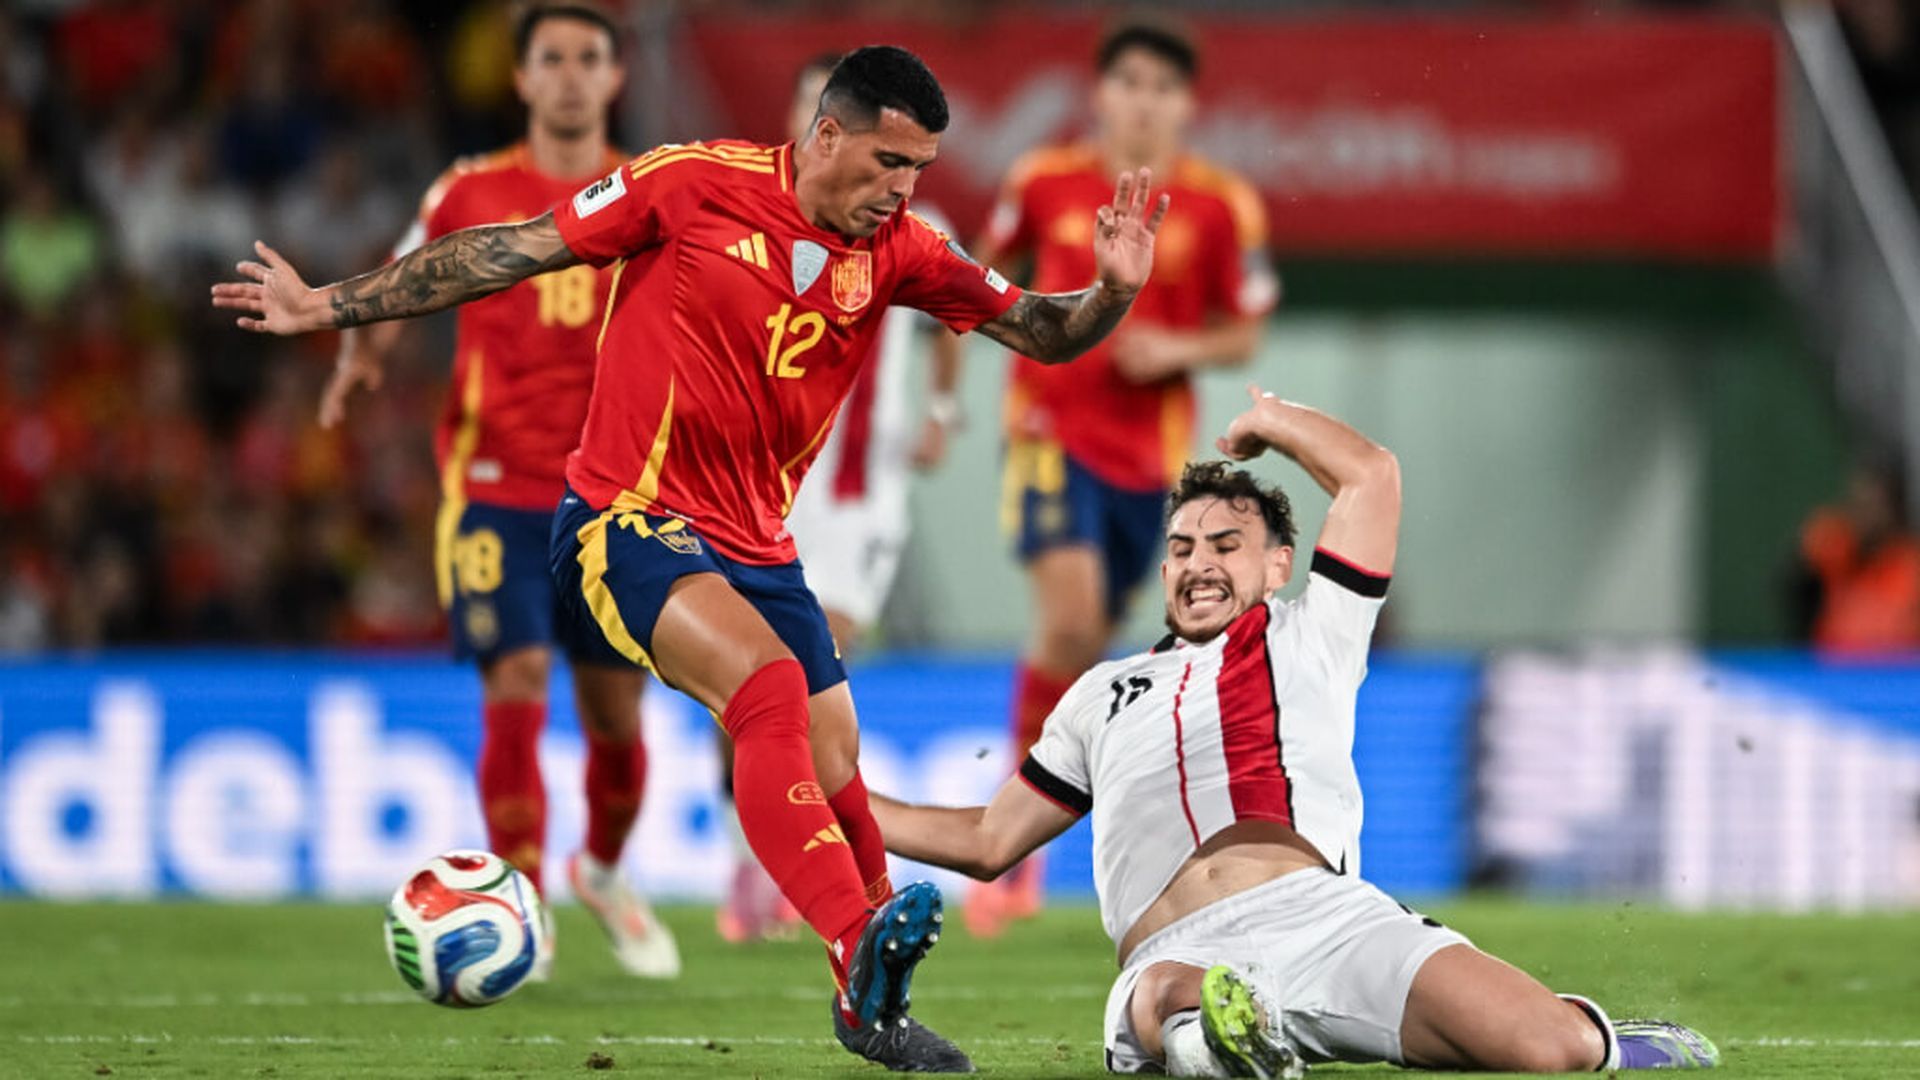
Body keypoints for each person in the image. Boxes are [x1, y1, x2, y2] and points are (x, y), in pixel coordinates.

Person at [213, 45, 1167, 1073]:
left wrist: (1110, 295)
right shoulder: (692, 183)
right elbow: (512, 248)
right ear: (827, 134)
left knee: (835, 755)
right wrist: (329, 305)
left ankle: (875, 1004)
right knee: (763, 691)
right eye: (889, 161)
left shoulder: (902, 251)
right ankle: (856, 947)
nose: (903, 189)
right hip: (625, 514)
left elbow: (1041, 330)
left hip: (761, 544)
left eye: (921, 170)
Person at [868, 386, 1722, 1076]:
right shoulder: (1098, 694)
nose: (1198, 562)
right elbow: (988, 840)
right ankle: (1231, 1033)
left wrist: (1271, 421)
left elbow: (1371, 477)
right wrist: (834, 796)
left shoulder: (1315, 632)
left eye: (1226, 543)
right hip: (1174, 948)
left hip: (1329, 921)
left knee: (1551, 1051)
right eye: (1181, 546)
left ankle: (1600, 1036)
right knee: (1165, 995)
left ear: (1279, 563)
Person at [312, 2, 676, 982]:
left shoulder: (650, 196)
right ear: (519, 80)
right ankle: (525, 906)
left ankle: (601, 868)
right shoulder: (470, 191)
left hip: (613, 497)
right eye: (549, 58)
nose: (567, 75)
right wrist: (363, 355)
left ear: (614, 77)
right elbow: (408, 278)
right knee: (513, 690)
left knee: (615, 720)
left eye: (586, 59)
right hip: (490, 490)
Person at [968, 20, 1279, 937]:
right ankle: (1007, 848)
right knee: (1067, 617)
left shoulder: (1226, 205)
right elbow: (985, 282)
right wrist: (1049, 335)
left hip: (1151, 462)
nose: (1144, 101)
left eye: (1163, 87)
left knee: (1095, 656)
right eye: (1129, 82)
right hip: (1047, 429)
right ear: (1099, 92)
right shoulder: (1041, 180)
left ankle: (1047, 824)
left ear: (1187, 103)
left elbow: (1246, 330)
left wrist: (1176, 346)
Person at [714, 52, 967, 946]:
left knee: (824, 650)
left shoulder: (908, 223)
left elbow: (952, 323)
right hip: (756, 482)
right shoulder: (743, 206)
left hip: (860, 487)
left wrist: (940, 410)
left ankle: (802, 878)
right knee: (748, 681)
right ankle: (758, 859)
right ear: (816, 120)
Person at [1789, 457, 1920, 654]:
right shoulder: (1837, 550)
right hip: (1829, 673)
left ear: (1893, 510)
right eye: (1858, 503)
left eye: (1873, 505)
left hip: (1895, 675)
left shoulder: (1911, 566)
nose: (1864, 515)